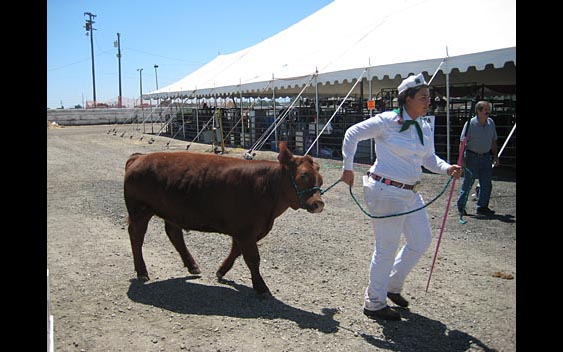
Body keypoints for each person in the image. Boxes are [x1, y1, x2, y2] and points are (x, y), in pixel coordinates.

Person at [340, 73, 462, 321]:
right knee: (386, 247)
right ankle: (374, 302)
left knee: (421, 240)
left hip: (410, 192)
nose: (428, 101)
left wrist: (446, 168)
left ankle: (392, 286)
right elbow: (352, 133)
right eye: (423, 97)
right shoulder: (387, 121)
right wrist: (347, 167)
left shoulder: (425, 126)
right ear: (407, 99)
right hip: (385, 191)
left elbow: (429, 159)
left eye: (429, 97)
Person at [456, 101, 499, 216]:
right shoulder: (470, 124)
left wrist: (495, 156)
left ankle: (482, 207)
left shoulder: (491, 123)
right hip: (472, 156)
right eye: (485, 110)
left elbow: (493, 141)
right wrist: (462, 159)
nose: (488, 112)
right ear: (478, 111)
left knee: (486, 183)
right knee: (468, 183)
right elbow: (462, 142)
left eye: (489, 110)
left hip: (486, 157)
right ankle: (461, 206)